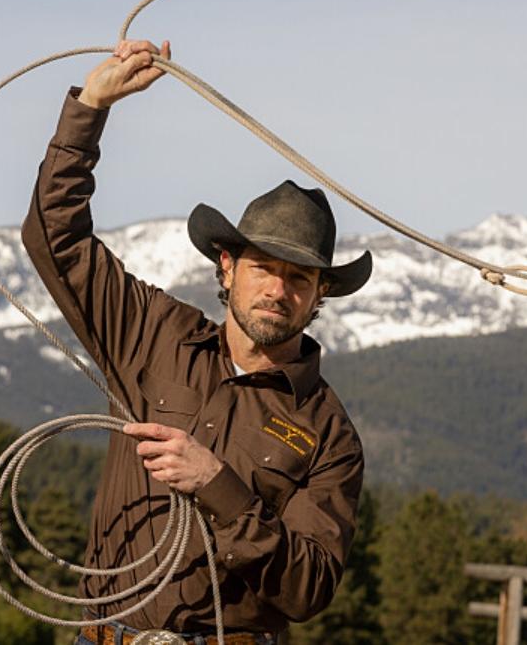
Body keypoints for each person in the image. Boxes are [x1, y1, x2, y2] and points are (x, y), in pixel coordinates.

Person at [21, 38, 371, 645]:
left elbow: (309, 588)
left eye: (299, 278)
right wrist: (91, 108)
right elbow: (56, 237)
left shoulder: (330, 433)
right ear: (228, 266)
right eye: (264, 267)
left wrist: (218, 483)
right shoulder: (154, 335)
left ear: (320, 296)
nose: (278, 290)